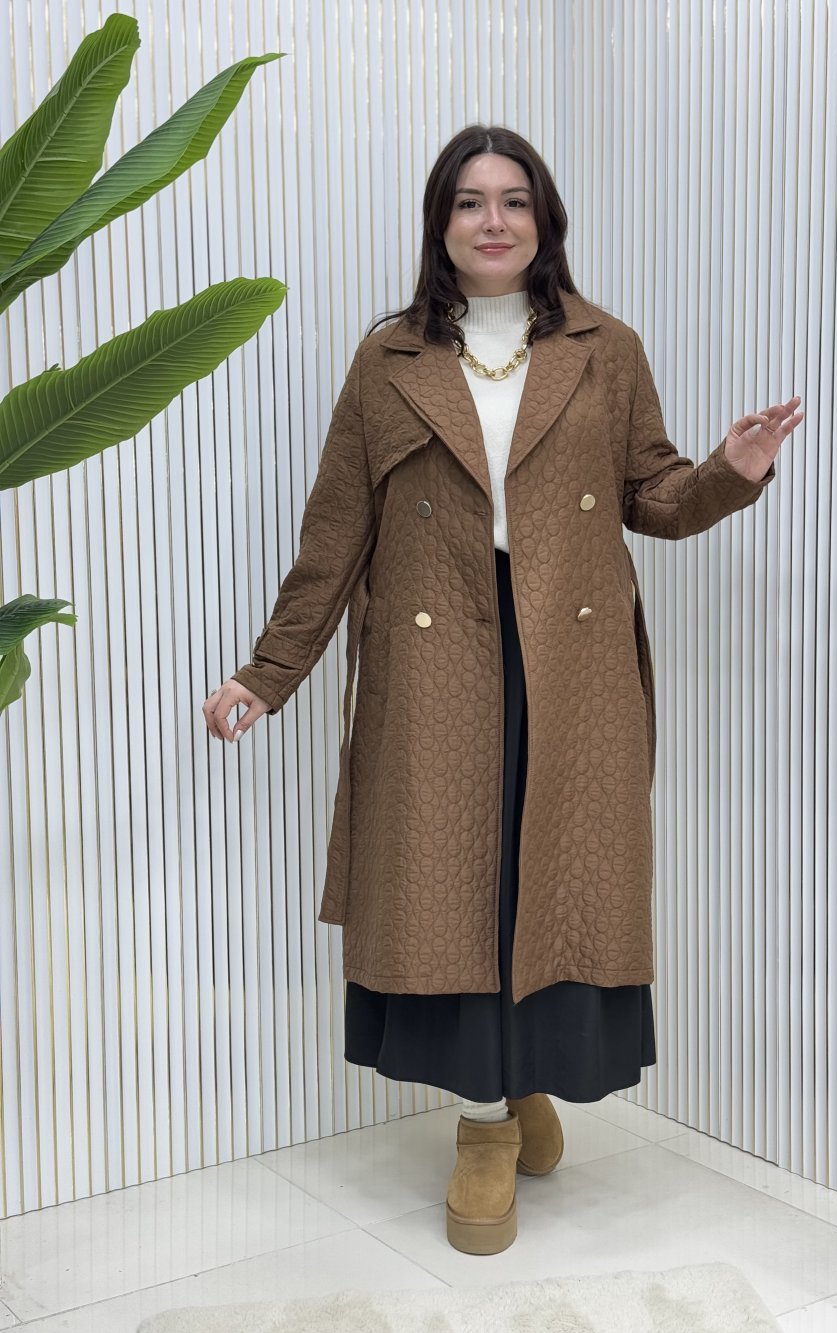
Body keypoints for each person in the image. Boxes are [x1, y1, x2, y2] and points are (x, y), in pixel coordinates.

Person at [202, 124, 803, 1257]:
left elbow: (653, 496)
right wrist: (265, 673)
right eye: (470, 201)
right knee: (453, 890)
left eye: (515, 200)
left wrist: (730, 473)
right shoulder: (387, 361)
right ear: (441, 225)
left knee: (551, 889)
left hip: (571, 663)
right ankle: (484, 1126)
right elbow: (335, 537)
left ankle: (526, 1084)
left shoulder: (604, 347)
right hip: (437, 664)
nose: (493, 221)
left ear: (544, 220)